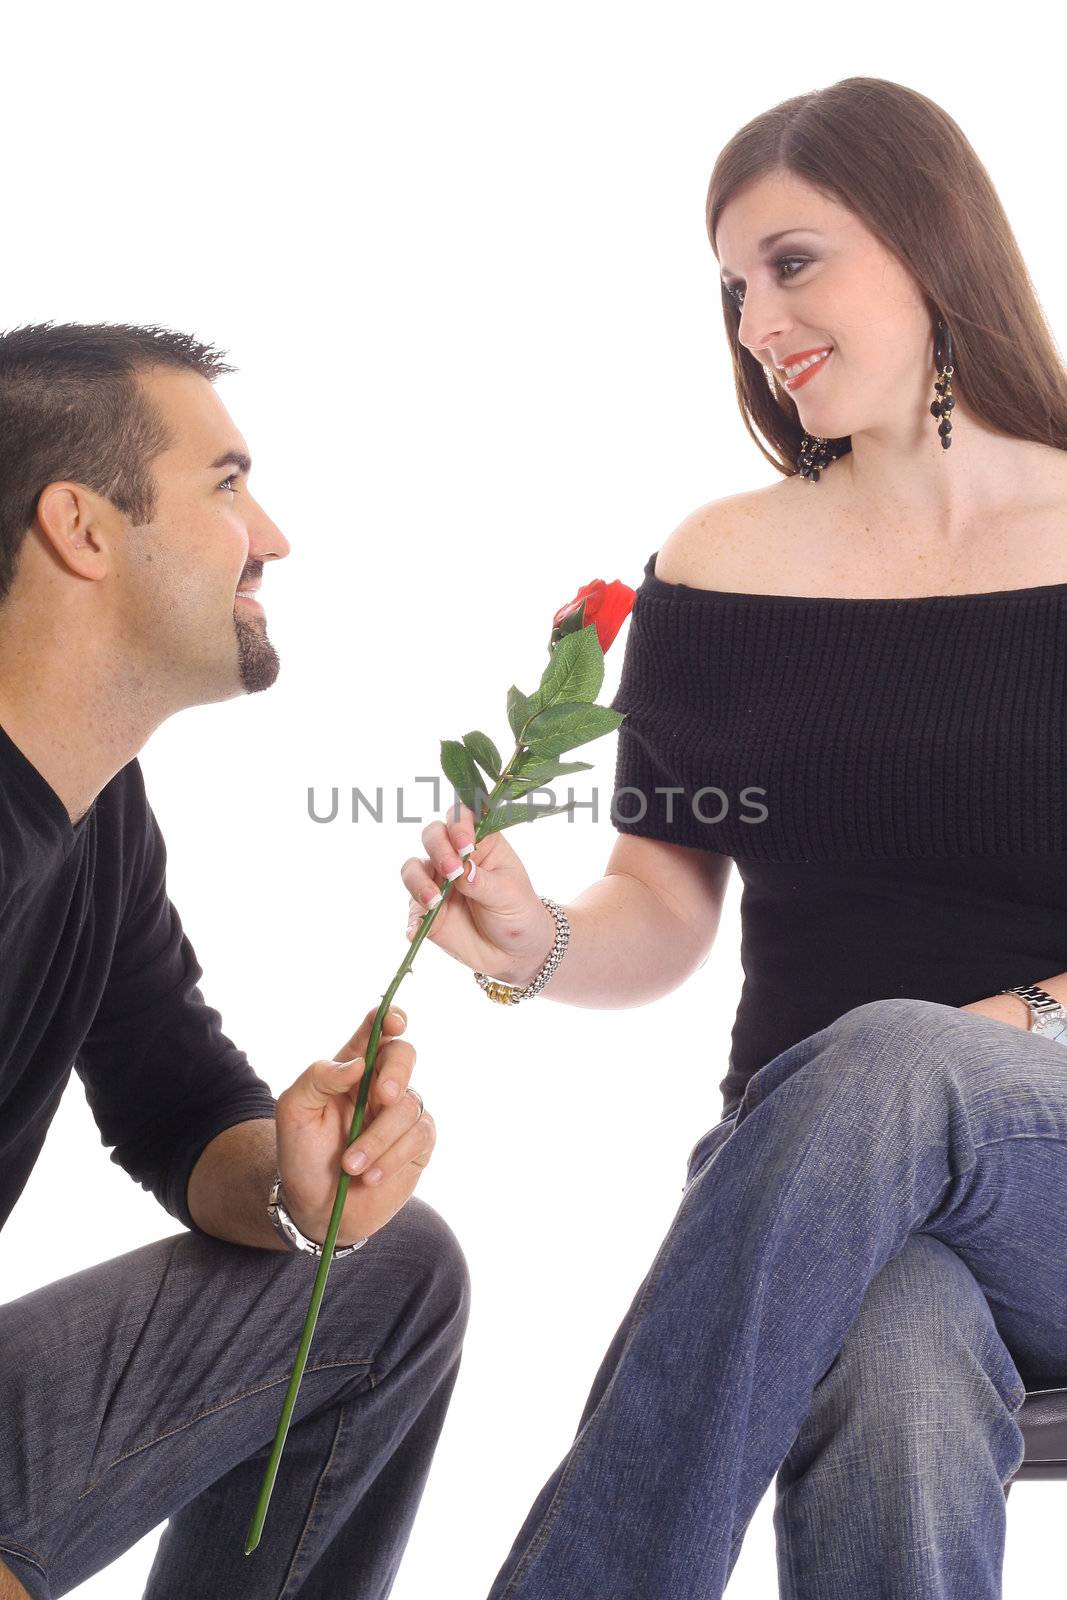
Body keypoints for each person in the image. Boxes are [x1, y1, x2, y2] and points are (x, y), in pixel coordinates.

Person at [400, 76, 1067, 1598]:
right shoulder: (719, 564)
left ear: (927, 241)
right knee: (891, 1368)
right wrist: (538, 940)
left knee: (893, 1055)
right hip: (820, 1200)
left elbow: (923, 1057)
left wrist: (1001, 1029)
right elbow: (661, 896)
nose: (757, 318)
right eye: (729, 285)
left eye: (791, 261)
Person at [0, 323, 469, 1600]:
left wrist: (292, 1187)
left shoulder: (93, 808)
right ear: (82, 528)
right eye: (225, 483)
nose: (270, 537)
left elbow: (172, 1101)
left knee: (383, 1272)